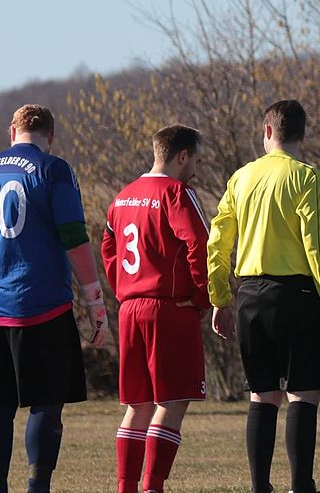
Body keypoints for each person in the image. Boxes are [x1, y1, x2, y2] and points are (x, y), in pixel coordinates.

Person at [0, 104, 108, 493]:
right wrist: (95, 301)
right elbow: (74, 236)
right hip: (40, 304)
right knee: (46, 401)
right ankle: (37, 487)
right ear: (50, 136)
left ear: (12, 132)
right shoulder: (54, 169)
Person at [207, 99, 320, 493]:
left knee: (262, 395)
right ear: (302, 134)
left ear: (267, 131)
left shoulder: (241, 177)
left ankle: (260, 487)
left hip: (251, 296)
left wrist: (220, 297)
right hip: (298, 296)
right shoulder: (308, 178)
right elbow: (316, 248)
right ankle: (301, 486)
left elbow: (217, 242)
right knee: (302, 395)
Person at [101, 125, 210, 493]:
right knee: (172, 401)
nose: (196, 168)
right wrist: (202, 296)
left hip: (130, 308)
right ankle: (153, 486)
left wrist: (123, 288)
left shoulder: (123, 196)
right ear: (182, 156)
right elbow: (199, 242)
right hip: (168, 308)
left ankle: (126, 486)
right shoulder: (177, 193)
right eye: (196, 160)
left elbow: (108, 246)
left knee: (138, 404)